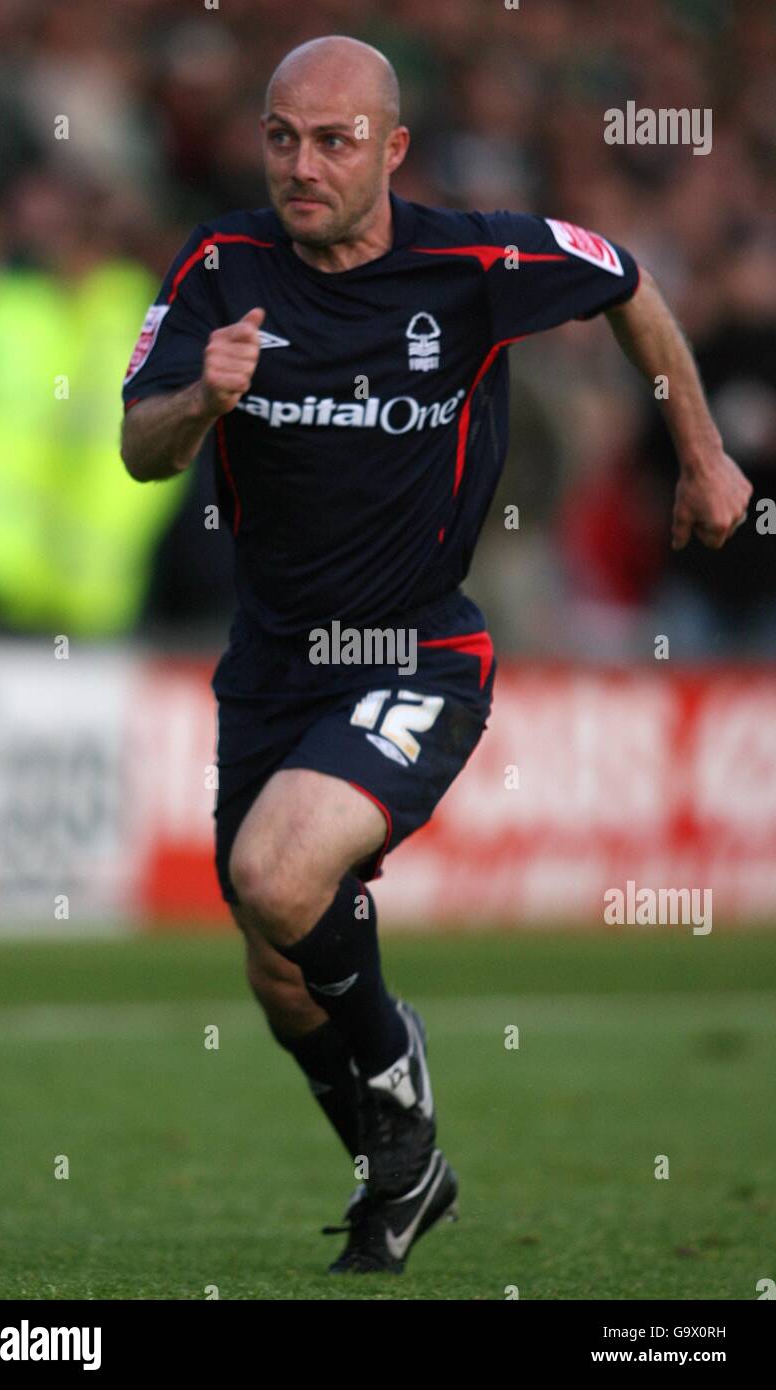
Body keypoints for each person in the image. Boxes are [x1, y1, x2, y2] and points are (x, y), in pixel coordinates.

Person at [120, 35, 751, 1274]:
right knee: (275, 960)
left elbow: (626, 282)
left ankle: (398, 1101)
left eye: (335, 140)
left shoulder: (474, 261)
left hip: (419, 648)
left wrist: (704, 451)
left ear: (392, 149)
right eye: (282, 137)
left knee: (281, 871)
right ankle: (394, 1171)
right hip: (270, 661)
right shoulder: (219, 263)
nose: (303, 164)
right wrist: (202, 398)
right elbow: (142, 448)